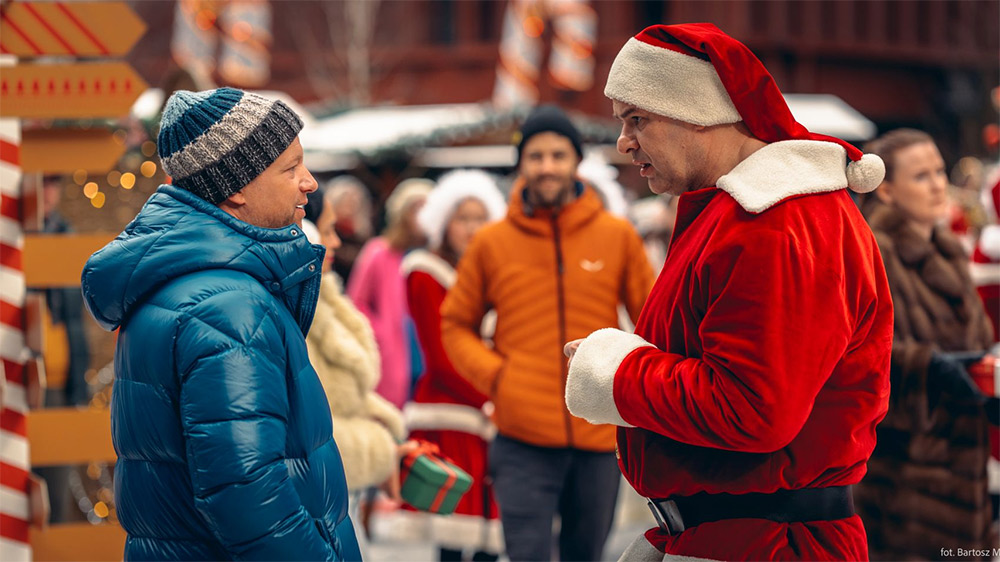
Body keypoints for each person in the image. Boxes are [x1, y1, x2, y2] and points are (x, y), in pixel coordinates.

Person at [562, 24, 893, 561]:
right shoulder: (747, 215)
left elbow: (751, 407)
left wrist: (617, 371)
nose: (623, 141)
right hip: (737, 535)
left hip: (769, 542)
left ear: (699, 113)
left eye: (637, 118)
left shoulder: (776, 221)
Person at [81, 87, 360, 561]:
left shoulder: (182, 283)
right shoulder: (229, 307)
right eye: (290, 168)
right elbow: (248, 493)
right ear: (236, 187)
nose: (309, 182)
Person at [441, 105, 655, 562]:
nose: (547, 167)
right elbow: (455, 323)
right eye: (536, 156)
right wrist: (498, 377)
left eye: (558, 155)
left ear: (576, 162)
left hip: (598, 433)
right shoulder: (492, 242)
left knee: (586, 555)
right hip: (521, 439)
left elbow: (654, 320)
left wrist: (630, 383)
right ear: (521, 164)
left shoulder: (617, 236)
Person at [852, 129, 997, 560]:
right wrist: (929, 366)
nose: (938, 184)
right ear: (889, 191)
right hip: (905, 479)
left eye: (939, 171)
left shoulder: (948, 250)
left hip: (962, 469)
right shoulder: (874, 251)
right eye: (921, 176)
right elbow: (859, 353)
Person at [401, 169, 507, 562]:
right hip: (454, 410)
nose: (472, 227)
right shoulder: (426, 272)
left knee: (488, 535)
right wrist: (493, 397)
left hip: (490, 409)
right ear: (444, 223)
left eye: (480, 218)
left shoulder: (493, 271)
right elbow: (441, 356)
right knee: (454, 530)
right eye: (463, 218)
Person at [303, 185, 415, 554]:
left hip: (336, 503)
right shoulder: (301, 313)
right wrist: (383, 452)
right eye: (326, 230)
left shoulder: (325, 298)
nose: (334, 242)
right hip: (315, 508)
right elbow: (311, 431)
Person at [347, 178, 432, 410]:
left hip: (427, 346)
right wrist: (380, 331)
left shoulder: (436, 256)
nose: (423, 215)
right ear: (402, 213)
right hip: (394, 351)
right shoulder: (379, 251)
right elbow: (356, 302)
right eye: (416, 207)